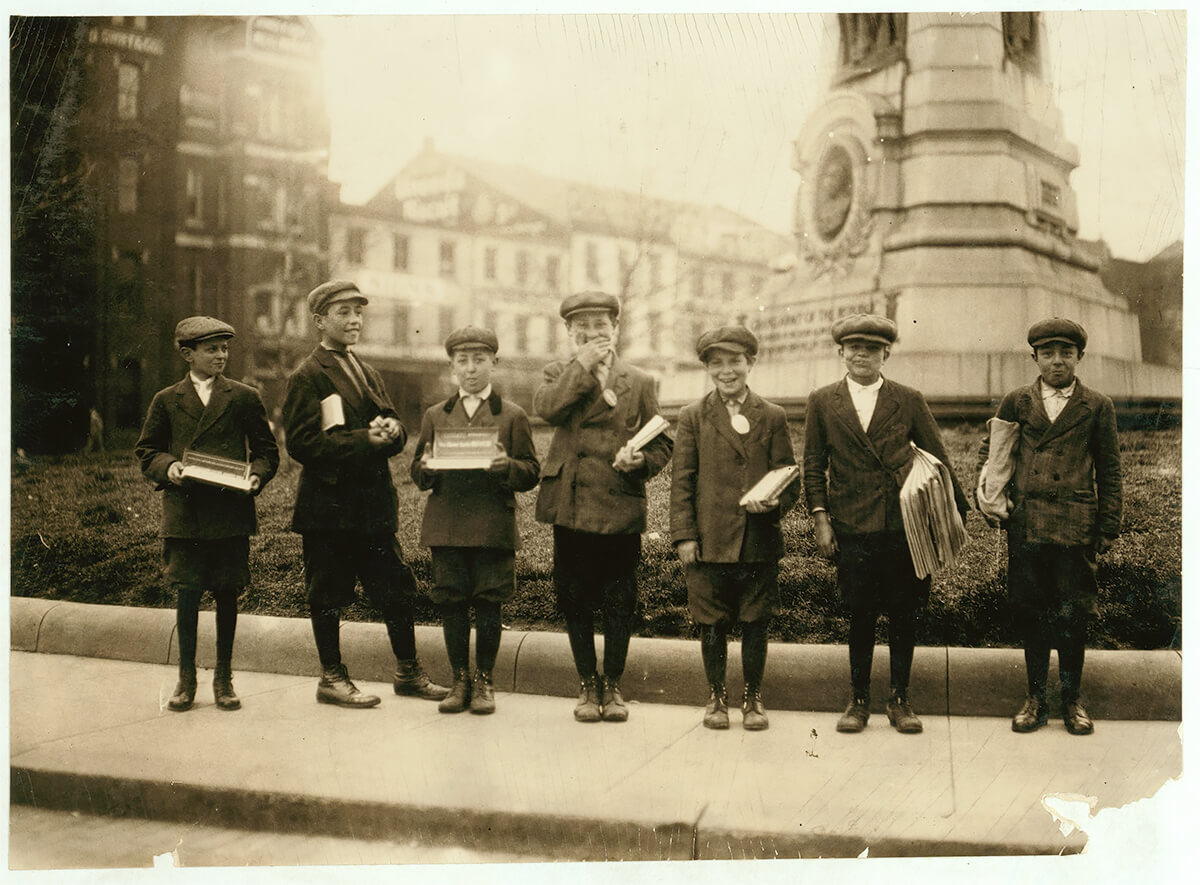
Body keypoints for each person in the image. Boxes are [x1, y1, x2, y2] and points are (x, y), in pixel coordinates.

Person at [282, 280, 448, 709]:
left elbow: (388, 418)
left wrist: (394, 431)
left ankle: (408, 672)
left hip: (372, 507)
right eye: (343, 312)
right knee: (328, 592)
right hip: (329, 510)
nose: (354, 320)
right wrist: (367, 441)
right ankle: (331, 678)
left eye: (359, 312)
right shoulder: (308, 375)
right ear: (319, 321)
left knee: (395, 588)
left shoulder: (365, 369)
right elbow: (301, 445)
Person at [802, 313, 968, 734]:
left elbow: (938, 456)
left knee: (903, 614)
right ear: (841, 353)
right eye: (854, 347)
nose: (862, 354)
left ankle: (900, 699)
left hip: (903, 527)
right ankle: (858, 700)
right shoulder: (822, 400)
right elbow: (813, 464)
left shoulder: (908, 398)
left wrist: (955, 516)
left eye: (871, 348)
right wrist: (821, 519)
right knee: (859, 615)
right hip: (852, 526)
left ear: (886, 354)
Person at [978, 318, 1122, 736]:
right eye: (1047, 354)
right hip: (1027, 527)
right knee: (1032, 612)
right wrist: (989, 499)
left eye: (1065, 353)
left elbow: (1110, 471)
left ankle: (1073, 699)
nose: (1056, 362)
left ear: (1079, 357)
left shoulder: (1097, 405)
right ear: (1035, 358)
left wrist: (1108, 526)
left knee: (1074, 614)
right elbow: (994, 455)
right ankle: (1036, 698)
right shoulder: (1017, 401)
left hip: (1076, 526)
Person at [534, 291, 673, 723]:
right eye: (583, 328)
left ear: (615, 329)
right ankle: (586, 684)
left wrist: (641, 462)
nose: (593, 334)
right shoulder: (559, 372)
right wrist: (582, 367)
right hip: (571, 503)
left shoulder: (640, 381)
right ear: (570, 333)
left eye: (601, 326)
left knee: (619, 599)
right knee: (574, 597)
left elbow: (663, 440)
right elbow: (549, 409)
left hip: (618, 502)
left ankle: (612, 684)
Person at [135, 316, 279, 712]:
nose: (221, 355)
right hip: (185, 513)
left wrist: (256, 476)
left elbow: (267, 452)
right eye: (212, 349)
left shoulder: (244, 397)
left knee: (228, 595)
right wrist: (170, 467)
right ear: (187, 353)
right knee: (187, 595)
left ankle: (224, 679)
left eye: (224, 348)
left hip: (230, 512)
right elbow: (147, 451)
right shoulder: (166, 400)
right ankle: (185, 680)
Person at [670, 326, 799, 731]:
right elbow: (682, 481)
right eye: (718, 363)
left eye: (735, 361)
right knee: (711, 622)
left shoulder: (773, 415)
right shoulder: (693, 416)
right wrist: (685, 536)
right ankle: (716, 698)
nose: (727, 371)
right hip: (708, 540)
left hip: (757, 540)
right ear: (708, 368)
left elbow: (788, 475)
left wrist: (776, 501)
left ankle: (753, 698)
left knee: (756, 619)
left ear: (751, 363)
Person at [410, 325, 540, 714]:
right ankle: (458, 680)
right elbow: (417, 471)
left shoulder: (512, 416)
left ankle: (484, 681)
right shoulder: (436, 415)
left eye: (479, 360)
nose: (471, 369)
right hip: (447, 524)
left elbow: (531, 470)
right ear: (452, 367)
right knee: (451, 603)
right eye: (462, 361)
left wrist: (507, 466)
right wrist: (428, 467)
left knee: (488, 603)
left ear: (493, 364)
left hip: (491, 525)